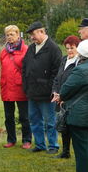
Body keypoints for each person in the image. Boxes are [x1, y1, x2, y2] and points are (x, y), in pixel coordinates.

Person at [59, 40, 88, 172]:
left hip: (79, 113)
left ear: (81, 54)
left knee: (81, 147)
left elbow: (65, 90)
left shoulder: (81, 70)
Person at [22, 21, 62, 154]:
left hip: (46, 94)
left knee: (50, 122)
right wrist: (26, 85)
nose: (32, 37)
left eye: (33, 34)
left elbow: (57, 72)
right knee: (34, 120)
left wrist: (51, 88)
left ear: (42, 32)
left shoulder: (53, 48)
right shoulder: (31, 48)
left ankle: (53, 145)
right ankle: (39, 144)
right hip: (32, 92)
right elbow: (25, 67)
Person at [0, 25, 31, 149]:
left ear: (18, 35)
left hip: (20, 88)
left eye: (12, 34)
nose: (9, 37)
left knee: (24, 116)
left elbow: (28, 69)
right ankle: (11, 139)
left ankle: (27, 140)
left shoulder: (26, 50)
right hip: (7, 87)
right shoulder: (3, 52)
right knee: (8, 117)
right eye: (7, 35)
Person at [51, 35, 81, 159]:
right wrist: (55, 92)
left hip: (71, 99)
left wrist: (64, 95)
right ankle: (65, 151)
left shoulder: (79, 62)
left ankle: (79, 152)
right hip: (60, 98)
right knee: (63, 125)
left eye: (72, 48)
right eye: (67, 48)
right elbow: (57, 78)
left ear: (78, 48)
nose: (69, 51)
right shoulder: (64, 60)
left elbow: (75, 83)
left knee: (73, 126)